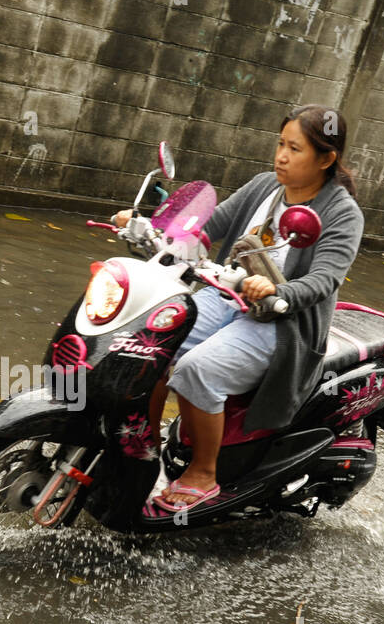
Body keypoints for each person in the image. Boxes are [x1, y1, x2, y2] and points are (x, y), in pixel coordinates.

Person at [111, 104, 365, 514]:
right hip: (225, 295)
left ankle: (202, 473)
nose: (281, 156)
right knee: (147, 345)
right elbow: (206, 228)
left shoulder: (341, 213)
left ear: (326, 159)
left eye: (295, 149)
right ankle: (142, 446)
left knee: (197, 369)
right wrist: (151, 228)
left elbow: (324, 280)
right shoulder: (265, 185)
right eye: (281, 144)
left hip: (283, 321)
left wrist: (280, 289)